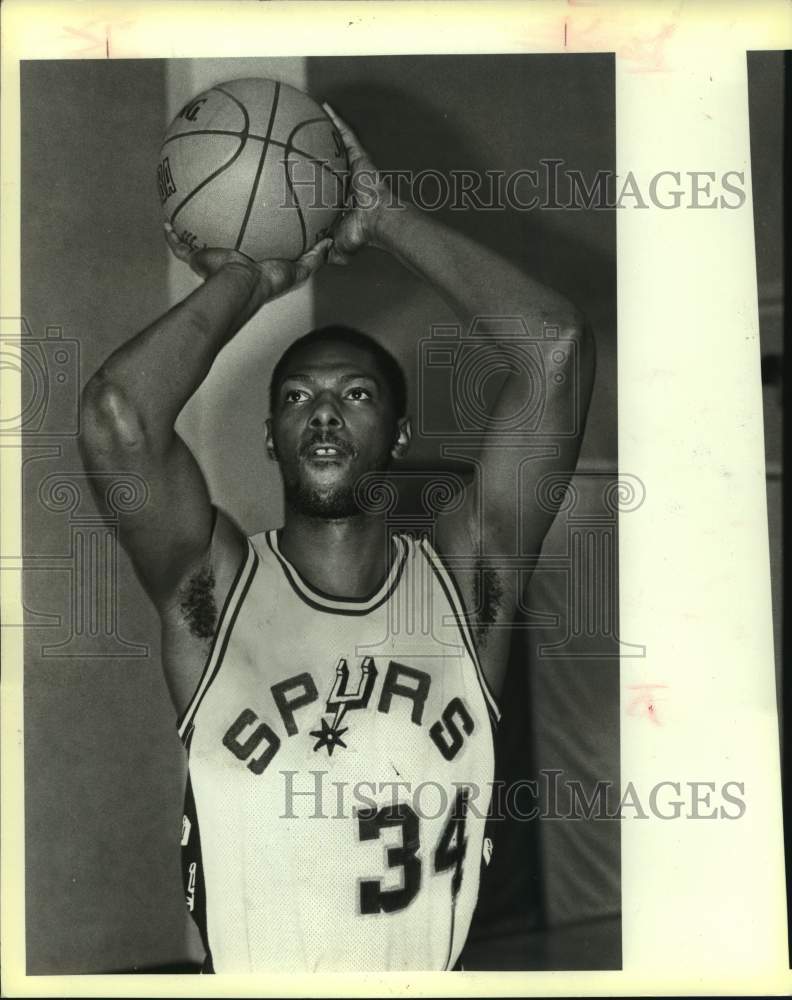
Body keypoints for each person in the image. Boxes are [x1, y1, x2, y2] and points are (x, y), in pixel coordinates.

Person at [79, 104, 594, 973]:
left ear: (396, 434)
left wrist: (383, 218)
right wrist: (251, 274)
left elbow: (558, 354)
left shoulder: (466, 586)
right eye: (295, 400)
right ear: (271, 439)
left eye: (356, 395)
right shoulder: (212, 593)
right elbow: (117, 416)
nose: (322, 413)